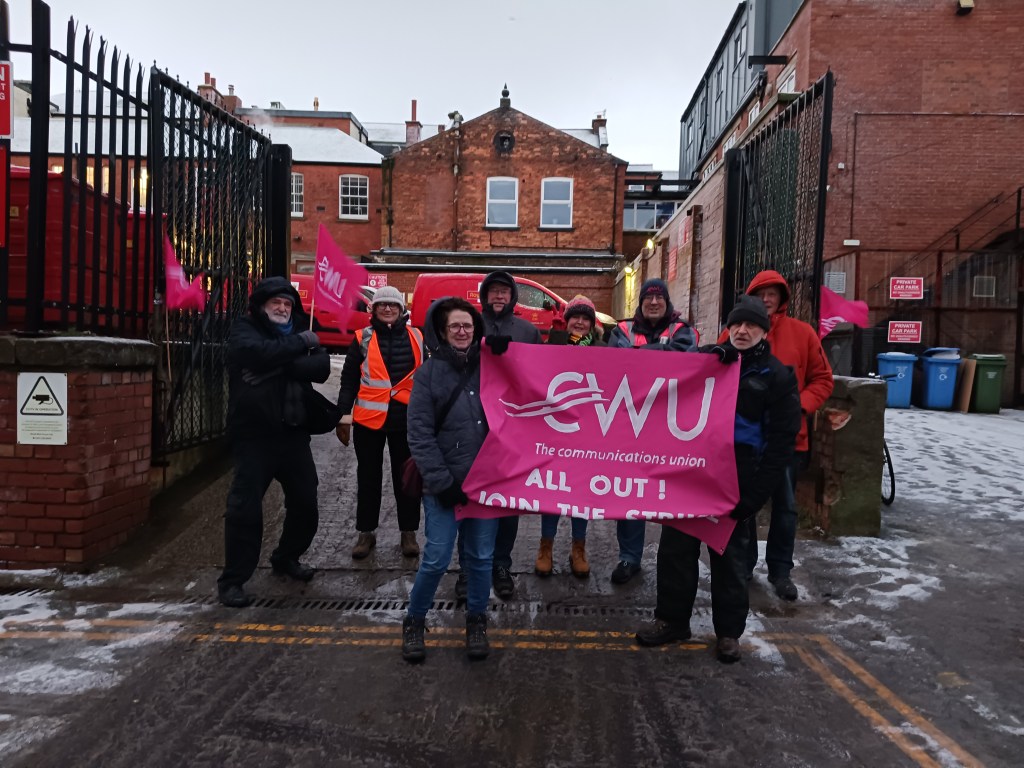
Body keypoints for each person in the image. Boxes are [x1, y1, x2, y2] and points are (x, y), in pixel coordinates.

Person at [636, 294, 801, 662]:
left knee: (731, 560)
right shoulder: (709, 360)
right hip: (691, 472)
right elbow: (655, 367)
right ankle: (672, 620)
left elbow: (780, 445)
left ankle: (728, 633)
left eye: (751, 325)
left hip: (736, 479)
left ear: (764, 330)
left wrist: (754, 496)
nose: (742, 331)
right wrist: (706, 357)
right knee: (675, 552)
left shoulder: (777, 376)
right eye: (736, 324)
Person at [718, 270, 834, 600]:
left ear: (783, 298)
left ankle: (781, 570)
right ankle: (744, 565)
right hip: (741, 441)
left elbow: (823, 380)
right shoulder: (733, 332)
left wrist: (796, 409)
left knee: (785, 506)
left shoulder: (803, 333)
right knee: (744, 506)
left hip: (788, 439)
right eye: (761, 293)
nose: (767, 299)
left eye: (773, 293)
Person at [217, 276, 331, 608]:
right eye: (275, 303)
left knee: (306, 502)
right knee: (244, 508)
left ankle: (286, 556)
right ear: (262, 306)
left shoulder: (300, 327)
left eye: (287, 304)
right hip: (255, 436)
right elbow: (253, 353)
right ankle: (233, 579)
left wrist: (273, 367)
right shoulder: (246, 327)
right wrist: (299, 347)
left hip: (294, 434)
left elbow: (321, 366)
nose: (282, 308)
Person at [401, 298, 497, 662]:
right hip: (443, 486)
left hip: (485, 483)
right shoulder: (428, 374)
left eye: (468, 326)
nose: (462, 331)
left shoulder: (491, 367)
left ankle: (476, 620)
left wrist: (509, 353)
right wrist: (441, 482)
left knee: (481, 559)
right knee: (437, 558)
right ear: (442, 332)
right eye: (455, 326)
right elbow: (419, 434)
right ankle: (414, 620)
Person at [606, 278, 698, 584]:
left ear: (667, 302)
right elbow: (616, 363)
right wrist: (663, 352)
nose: (654, 302)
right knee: (630, 491)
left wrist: (644, 355)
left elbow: (687, 359)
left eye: (659, 298)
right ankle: (629, 557)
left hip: (670, 426)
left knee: (672, 492)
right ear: (641, 302)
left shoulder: (683, 330)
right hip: (630, 425)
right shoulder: (622, 329)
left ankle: (673, 560)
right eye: (649, 298)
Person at [336, 286, 425, 560]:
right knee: (368, 478)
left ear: (401, 310)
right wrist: (343, 415)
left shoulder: (417, 337)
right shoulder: (361, 338)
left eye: (393, 305)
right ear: (373, 310)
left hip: (406, 421)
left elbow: (427, 379)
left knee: (407, 480)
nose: (387, 309)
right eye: (382, 305)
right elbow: (349, 380)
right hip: (368, 422)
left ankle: (408, 532)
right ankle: (366, 533)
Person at [474, 270, 542, 600]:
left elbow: (542, 375)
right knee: (473, 499)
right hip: (475, 424)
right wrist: (482, 346)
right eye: (493, 291)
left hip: (515, 427)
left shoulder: (528, 331)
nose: (499, 296)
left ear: (512, 296)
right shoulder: (470, 325)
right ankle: (470, 566)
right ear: (484, 296)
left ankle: (501, 564)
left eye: (504, 291)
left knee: (509, 501)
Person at [535, 295, 605, 579]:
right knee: (553, 490)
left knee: (581, 491)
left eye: (585, 318)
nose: (580, 322)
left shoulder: (603, 349)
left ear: (592, 323)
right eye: (575, 316)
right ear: (566, 321)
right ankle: (546, 547)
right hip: (556, 431)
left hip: (588, 432)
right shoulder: (552, 344)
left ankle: (579, 548)